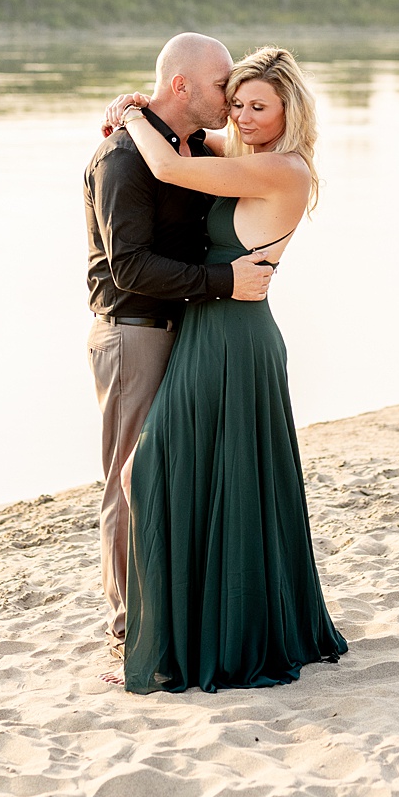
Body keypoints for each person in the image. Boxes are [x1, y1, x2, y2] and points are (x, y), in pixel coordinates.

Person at [105, 46, 348, 694]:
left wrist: (129, 113)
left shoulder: (281, 169)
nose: (242, 114)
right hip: (209, 328)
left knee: (155, 469)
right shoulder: (242, 155)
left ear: (289, 108)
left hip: (235, 338)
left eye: (258, 105)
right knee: (202, 476)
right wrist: (143, 106)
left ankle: (178, 634)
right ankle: (182, 627)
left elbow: (165, 161)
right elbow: (189, 133)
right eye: (236, 100)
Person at [83, 32, 276, 662]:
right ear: (183, 85)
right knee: (129, 479)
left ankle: (169, 610)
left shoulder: (190, 147)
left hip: (185, 331)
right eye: (224, 84)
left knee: (166, 472)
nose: (231, 95)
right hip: (133, 332)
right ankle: (126, 627)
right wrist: (225, 282)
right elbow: (130, 267)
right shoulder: (123, 157)